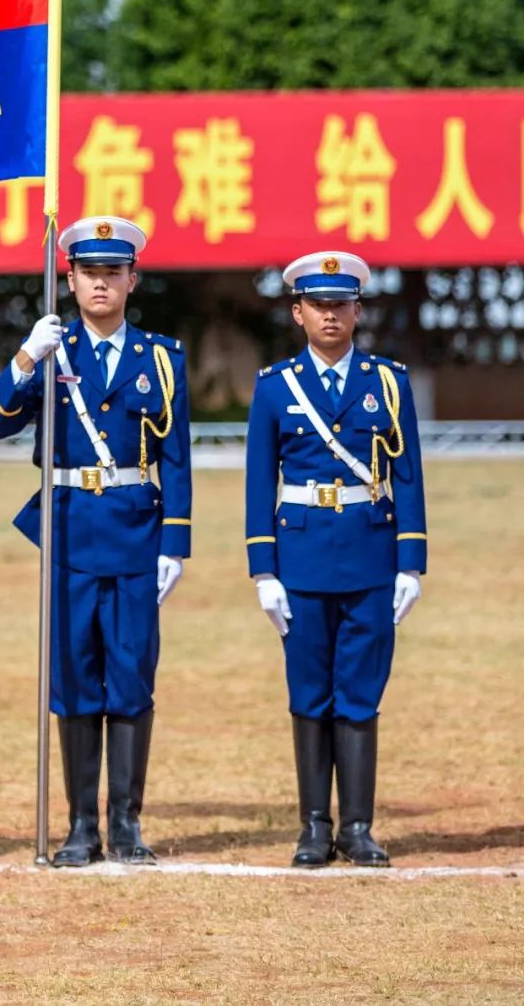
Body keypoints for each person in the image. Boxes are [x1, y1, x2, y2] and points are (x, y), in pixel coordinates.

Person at [0, 216, 192, 866]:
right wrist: (24, 358)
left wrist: (175, 543)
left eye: (112, 271)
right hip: (68, 532)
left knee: (129, 676)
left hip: (133, 532)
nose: (101, 283)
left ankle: (125, 824)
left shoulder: (160, 358)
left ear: (132, 278)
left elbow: (175, 458)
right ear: (68, 279)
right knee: (73, 677)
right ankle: (80, 826)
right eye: (88, 272)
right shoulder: (53, 350)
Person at [245, 251, 427, 869]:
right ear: (298, 313)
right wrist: (263, 571)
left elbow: (407, 475)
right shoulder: (274, 387)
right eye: (318, 306)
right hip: (300, 557)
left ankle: (357, 827)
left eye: (340, 305)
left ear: (357, 311)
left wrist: (411, 562)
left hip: (370, 555)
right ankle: (314, 827)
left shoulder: (387, 382)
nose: (330, 316)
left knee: (360, 692)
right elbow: (257, 483)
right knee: (308, 691)